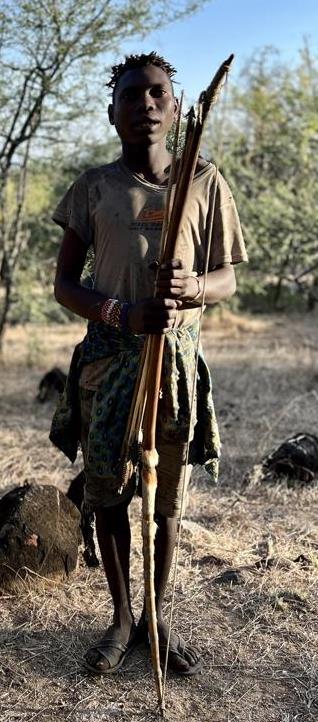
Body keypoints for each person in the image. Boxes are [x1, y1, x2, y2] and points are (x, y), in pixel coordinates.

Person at [51, 51, 248, 677]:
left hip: (175, 362)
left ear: (177, 106)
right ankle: (121, 617)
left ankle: (158, 614)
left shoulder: (205, 181)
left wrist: (194, 290)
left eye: (157, 93)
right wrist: (119, 313)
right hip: (110, 362)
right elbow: (63, 286)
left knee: (165, 495)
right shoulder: (93, 188)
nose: (145, 105)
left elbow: (227, 280)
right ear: (113, 112)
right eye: (131, 96)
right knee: (109, 490)